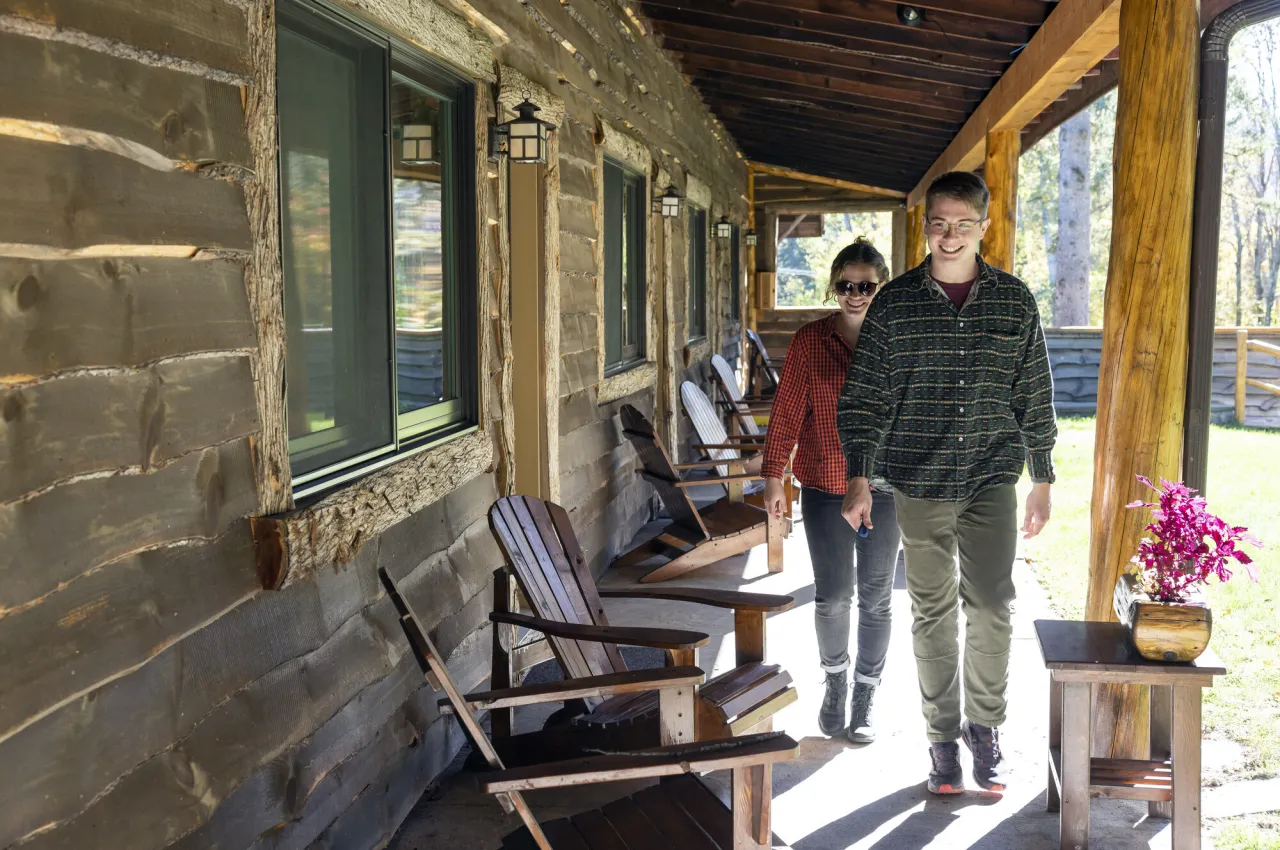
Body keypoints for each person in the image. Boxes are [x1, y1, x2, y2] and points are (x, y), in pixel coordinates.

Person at [836, 171, 1056, 794]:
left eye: (963, 224)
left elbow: (1033, 394)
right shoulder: (895, 304)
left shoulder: (1015, 302)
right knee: (932, 613)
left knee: (992, 604)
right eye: (939, 223)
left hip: (991, 477)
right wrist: (859, 478)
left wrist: (1041, 478)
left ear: (984, 226)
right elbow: (865, 400)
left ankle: (985, 731)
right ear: (924, 225)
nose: (950, 235)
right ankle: (942, 740)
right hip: (918, 480)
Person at [761, 238, 902, 744]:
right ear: (833, 287)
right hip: (823, 482)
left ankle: (866, 693)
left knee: (877, 598)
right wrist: (774, 474)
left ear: (881, 286)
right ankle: (836, 681)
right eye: (846, 285)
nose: (856, 293)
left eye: (867, 285)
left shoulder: (900, 339)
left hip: (886, 486)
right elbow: (787, 411)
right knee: (833, 596)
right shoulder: (810, 341)